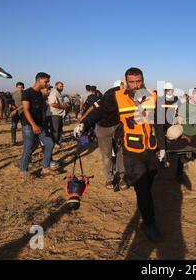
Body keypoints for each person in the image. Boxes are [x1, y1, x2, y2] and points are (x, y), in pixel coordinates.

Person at [75, 67, 166, 242]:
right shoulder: (117, 97)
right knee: (143, 188)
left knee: (151, 179)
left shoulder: (153, 96)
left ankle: (145, 208)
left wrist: (162, 148)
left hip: (150, 149)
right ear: (126, 82)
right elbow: (99, 112)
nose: (135, 85)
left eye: (138, 81)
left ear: (143, 79)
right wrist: (83, 124)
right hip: (131, 151)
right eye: (131, 82)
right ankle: (149, 224)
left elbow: (159, 124)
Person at [19, 72, 56, 177]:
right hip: (29, 125)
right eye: (46, 81)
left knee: (49, 143)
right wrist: (34, 125)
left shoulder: (41, 94)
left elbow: (42, 111)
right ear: (39, 80)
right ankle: (23, 170)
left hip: (41, 125)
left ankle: (45, 168)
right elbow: (26, 110)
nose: (47, 84)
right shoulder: (27, 93)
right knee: (28, 147)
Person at [48, 81, 69, 149]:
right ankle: (54, 142)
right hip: (55, 114)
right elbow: (52, 104)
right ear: (56, 86)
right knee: (55, 130)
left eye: (62, 86)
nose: (62, 87)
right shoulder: (54, 93)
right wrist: (63, 107)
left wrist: (65, 105)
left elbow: (60, 103)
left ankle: (59, 141)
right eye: (60, 86)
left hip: (60, 114)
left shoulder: (59, 93)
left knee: (59, 129)